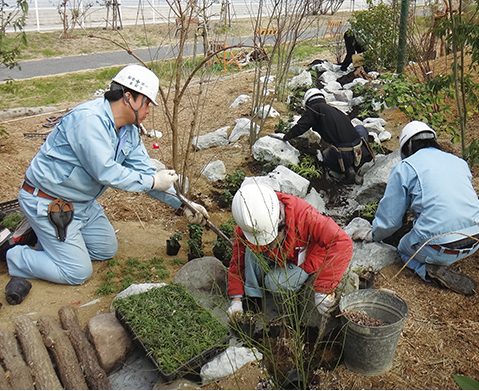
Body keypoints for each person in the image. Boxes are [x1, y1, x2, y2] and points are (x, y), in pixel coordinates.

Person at [5, 64, 208, 289]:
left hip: (81, 203)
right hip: (48, 201)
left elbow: (146, 173)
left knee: (105, 249)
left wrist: (184, 205)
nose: (149, 110)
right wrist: (152, 181)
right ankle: (14, 255)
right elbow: (105, 172)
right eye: (147, 102)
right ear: (128, 97)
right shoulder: (88, 121)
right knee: (77, 272)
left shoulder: (128, 130)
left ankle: (52, 243)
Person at [353, 121, 479, 296]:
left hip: (440, 246)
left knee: (403, 247)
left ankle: (429, 272)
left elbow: (390, 221)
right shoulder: (458, 161)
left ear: (406, 147)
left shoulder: (405, 168)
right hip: (476, 236)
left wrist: (372, 234)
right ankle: (441, 261)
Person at [226, 181, 353, 318]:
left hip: (303, 259)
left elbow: (342, 242)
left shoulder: (304, 216)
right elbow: (238, 260)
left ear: (279, 222)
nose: (269, 243)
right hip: (276, 256)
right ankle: (254, 300)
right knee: (250, 252)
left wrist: (324, 288)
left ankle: (286, 305)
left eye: (270, 237)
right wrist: (236, 299)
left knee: (274, 282)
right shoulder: (249, 223)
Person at [274, 88, 374, 183]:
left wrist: (285, 137)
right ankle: (356, 165)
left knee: (323, 156)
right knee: (360, 128)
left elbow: (300, 127)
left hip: (343, 156)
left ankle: (344, 171)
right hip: (360, 150)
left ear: (308, 103)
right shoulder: (335, 110)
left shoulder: (314, 109)